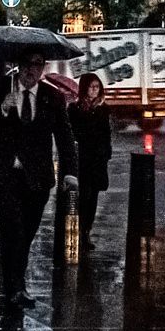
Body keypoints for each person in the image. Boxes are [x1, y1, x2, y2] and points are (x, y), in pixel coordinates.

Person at [0, 50, 77, 310]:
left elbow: (64, 136)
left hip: (37, 179)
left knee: (26, 234)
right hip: (4, 175)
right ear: (19, 66)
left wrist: (70, 173)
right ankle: (15, 287)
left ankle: (14, 281)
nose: (33, 71)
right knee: (13, 229)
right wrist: (1, 108)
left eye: (38, 66)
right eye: (29, 65)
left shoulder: (53, 97)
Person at [67, 72, 112, 247]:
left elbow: (106, 134)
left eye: (97, 87)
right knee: (81, 197)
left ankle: (86, 231)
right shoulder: (74, 109)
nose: (94, 90)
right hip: (82, 159)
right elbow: (72, 133)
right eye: (91, 87)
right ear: (84, 88)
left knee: (92, 197)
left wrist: (106, 153)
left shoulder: (103, 109)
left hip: (97, 160)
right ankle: (77, 231)